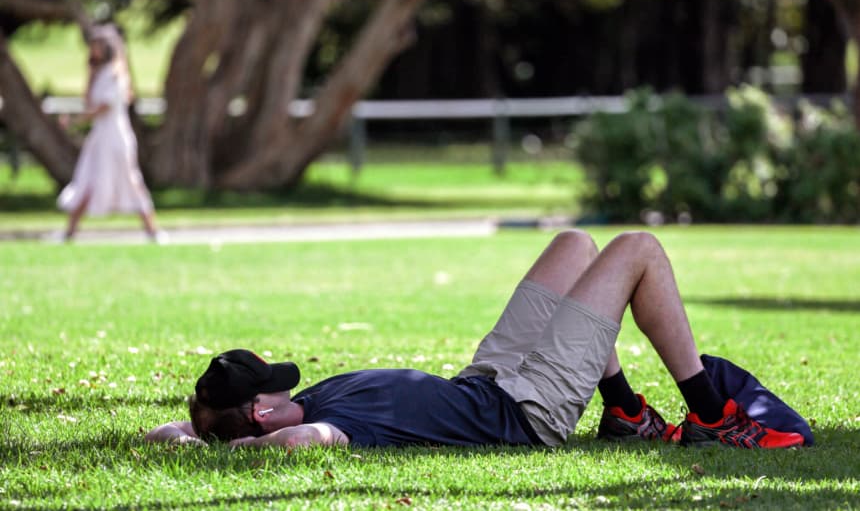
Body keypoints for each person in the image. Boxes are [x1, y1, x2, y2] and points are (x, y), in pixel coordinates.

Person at [146, 230, 805, 449]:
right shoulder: (320, 427)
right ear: (262, 410)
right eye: (272, 387)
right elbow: (296, 442)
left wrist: (198, 431)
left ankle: (626, 412)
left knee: (576, 245)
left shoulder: (301, 403)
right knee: (638, 249)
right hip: (524, 410)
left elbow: (177, 431)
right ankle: (714, 413)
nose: (286, 383)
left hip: (487, 375)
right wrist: (234, 443)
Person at [56, 23, 165, 243]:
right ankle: (69, 233)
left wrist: (76, 121)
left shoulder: (117, 75)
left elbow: (103, 107)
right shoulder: (98, 74)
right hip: (99, 138)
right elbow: (88, 102)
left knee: (131, 182)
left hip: (115, 138)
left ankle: (153, 231)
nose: (94, 50)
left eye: (98, 46)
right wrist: (89, 74)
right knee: (87, 181)